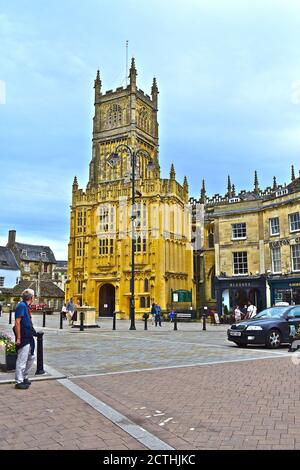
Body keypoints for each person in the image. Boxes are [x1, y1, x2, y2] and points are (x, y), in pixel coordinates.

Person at [13, 289, 37, 390]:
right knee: (22, 358)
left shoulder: (25, 306)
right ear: (31, 298)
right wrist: (18, 337)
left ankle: (24, 376)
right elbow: (17, 322)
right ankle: (19, 380)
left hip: (28, 335)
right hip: (23, 335)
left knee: (32, 356)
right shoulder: (21, 306)